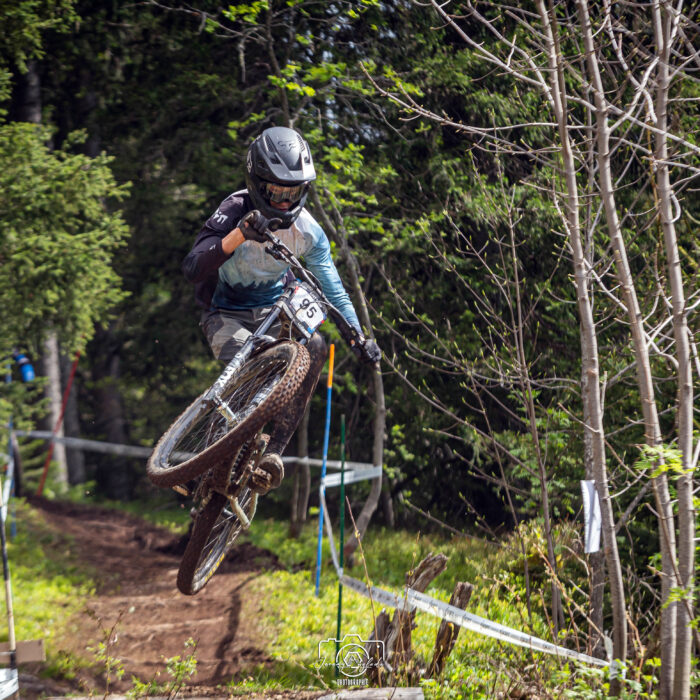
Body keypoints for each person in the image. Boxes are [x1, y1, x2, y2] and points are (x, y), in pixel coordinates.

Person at [182, 126, 380, 493]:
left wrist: (358, 336)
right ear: (258, 182)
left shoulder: (308, 232)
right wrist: (240, 234)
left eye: (293, 192)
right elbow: (193, 267)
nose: (285, 202)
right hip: (224, 313)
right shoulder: (234, 208)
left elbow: (333, 287)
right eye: (276, 191)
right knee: (249, 361)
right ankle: (205, 454)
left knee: (317, 347)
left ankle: (274, 453)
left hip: (274, 308)